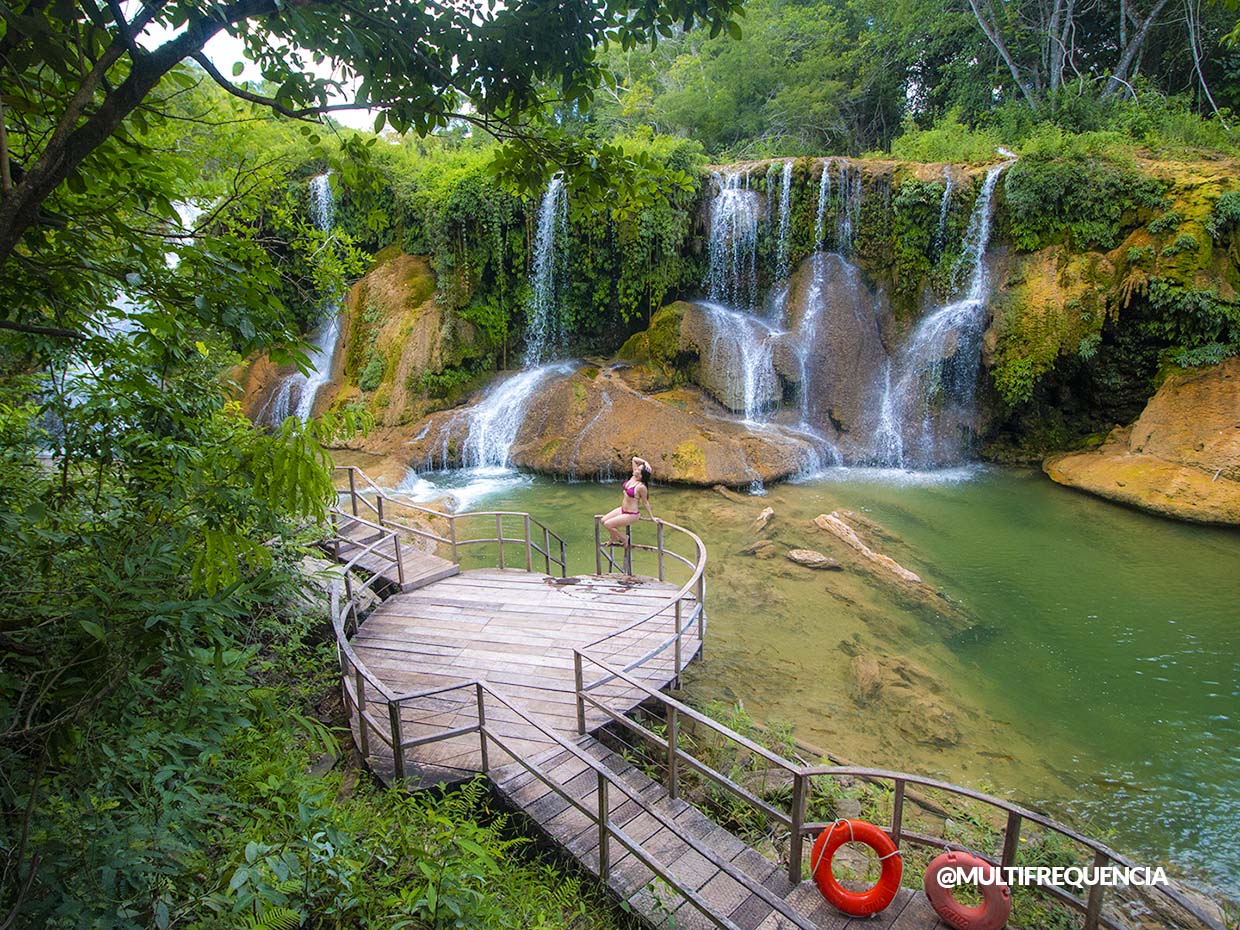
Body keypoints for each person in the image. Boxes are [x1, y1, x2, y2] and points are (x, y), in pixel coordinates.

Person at [602, 456, 656, 545]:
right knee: (603, 520)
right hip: (622, 509)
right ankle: (614, 537)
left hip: (631, 514)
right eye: (637, 468)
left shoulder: (641, 487)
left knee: (608, 524)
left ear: (641, 474)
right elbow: (634, 459)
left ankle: (624, 538)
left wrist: (652, 517)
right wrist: (645, 462)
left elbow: (645, 502)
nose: (636, 469)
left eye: (638, 469)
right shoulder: (633, 477)